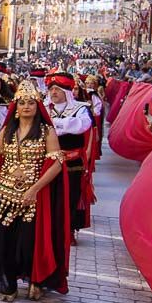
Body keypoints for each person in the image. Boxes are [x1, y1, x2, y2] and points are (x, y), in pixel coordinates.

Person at [0, 80, 70, 302]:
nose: (26, 106)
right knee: (5, 241)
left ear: (37, 106)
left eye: (31, 103)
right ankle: (9, 284)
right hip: (3, 195)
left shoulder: (46, 131)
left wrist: (35, 189)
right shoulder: (6, 131)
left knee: (28, 242)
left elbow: (56, 163)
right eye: (22, 102)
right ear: (15, 106)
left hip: (32, 197)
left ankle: (35, 280)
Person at [44, 72, 93, 240]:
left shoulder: (80, 108)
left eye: (57, 89)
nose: (54, 93)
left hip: (71, 162)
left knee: (70, 196)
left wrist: (55, 124)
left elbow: (81, 126)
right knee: (50, 195)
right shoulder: (43, 107)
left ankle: (69, 229)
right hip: (48, 162)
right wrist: (62, 126)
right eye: (51, 89)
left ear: (67, 91)